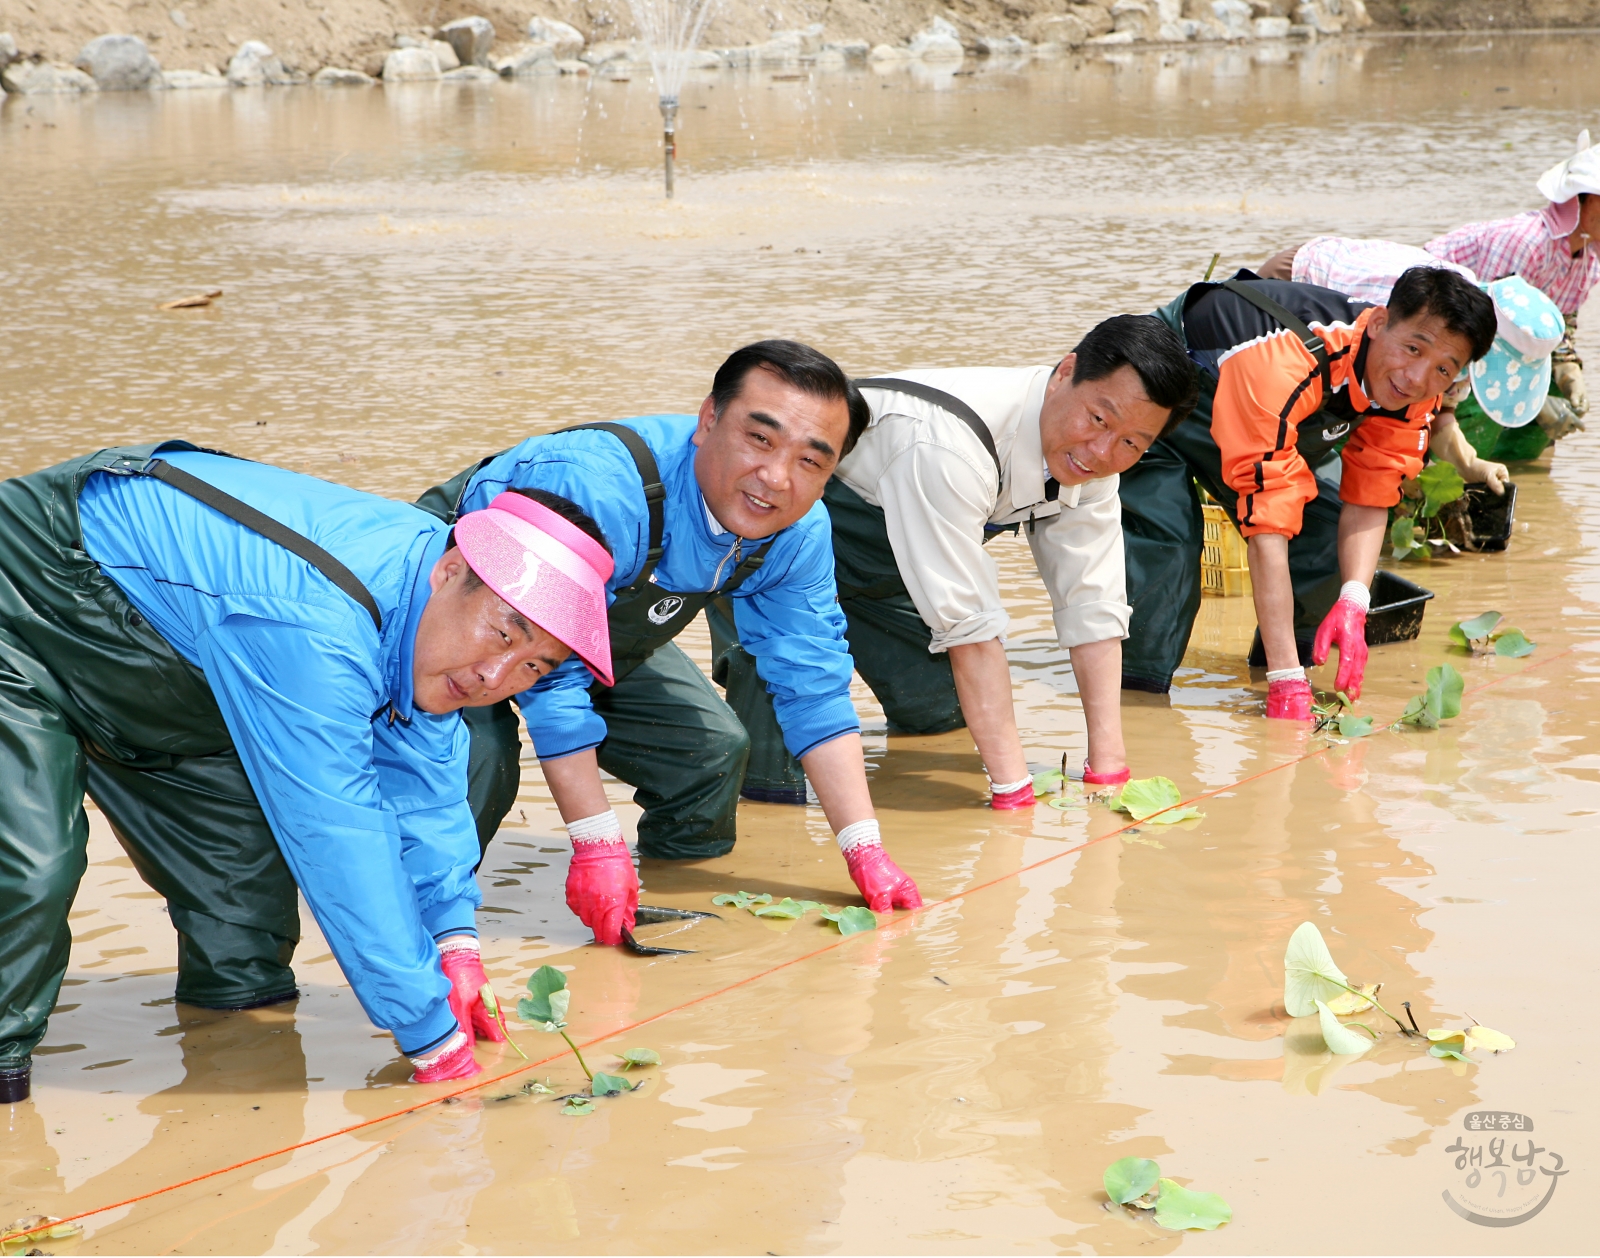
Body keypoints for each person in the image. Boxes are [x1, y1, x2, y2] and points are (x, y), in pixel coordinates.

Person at [0, 442, 612, 1103]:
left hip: (179, 676)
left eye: (534, 666)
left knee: (244, 946)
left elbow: (427, 791)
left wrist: (453, 942)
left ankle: (226, 1130)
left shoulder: (432, 625)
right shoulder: (315, 624)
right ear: (453, 569)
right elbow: (338, 836)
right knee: (31, 876)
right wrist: (431, 1037)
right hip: (35, 592)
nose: (496, 676)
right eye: (503, 632)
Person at [418, 341, 922, 948]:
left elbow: (812, 685)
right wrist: (595, 840)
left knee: (709, 751)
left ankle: (647, 906)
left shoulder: (798, 531)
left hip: (602, 629)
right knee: (476, 758)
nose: (776, 478)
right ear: (708, 420)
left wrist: (864, 848)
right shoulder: (598, 487)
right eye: (760, 439)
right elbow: (553, 684)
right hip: (475, 616)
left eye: (811, 461)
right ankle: (422, 938)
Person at [721, 316, 1199, 809]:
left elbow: (1092, 606)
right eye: (1099, 419)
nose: (1101, 451)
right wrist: (1013, 793)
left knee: (941, 711)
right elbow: (969, 627)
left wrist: (1108, 768)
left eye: (1132, 442)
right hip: (772, 547)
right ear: (1066, 371)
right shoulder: (946, 444)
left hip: (882, 575)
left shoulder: (1091, 462)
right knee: (774, 772)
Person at [1120, 266, 1497, 714]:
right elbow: (1267, 529)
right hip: (1163, 394)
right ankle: (1139, 702)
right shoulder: (1282, 360)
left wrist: (1355, 602)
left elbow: (1370, 497)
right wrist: (1286, 683)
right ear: (1378, 325)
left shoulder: (1413, 395)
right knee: (1169, 545)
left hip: (1256, 417)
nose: (1416, 377)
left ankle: (1282, 665)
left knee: (1326, 525)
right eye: (1413, 348)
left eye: (1442, 368)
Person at [1259, 235, 1566, 485]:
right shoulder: (1417, 311)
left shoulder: (1461, 334)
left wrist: (1468, 463)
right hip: (1296, 286)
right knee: (1273, 438)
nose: (1420, 378)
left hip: (1344, 341)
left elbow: (1440, 410)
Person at [1424, 130, 1600, 442]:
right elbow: (1482, 323)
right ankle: (1458, 465)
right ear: (1578, 199)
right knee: (1503, 395)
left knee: (1554, 389)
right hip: (1439, 320)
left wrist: (1569, 372)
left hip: (1491, 336)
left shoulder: (1588, 261)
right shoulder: (1528, 241)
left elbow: (1560, 326)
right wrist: (1535, 401)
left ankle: (1515, 469)